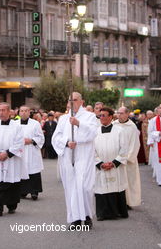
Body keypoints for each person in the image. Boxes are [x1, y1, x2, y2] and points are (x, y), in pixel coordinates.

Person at [51, 92, 97, 229]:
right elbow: (55, 137)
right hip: (68, 157)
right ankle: (75, 219)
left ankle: (87, 217)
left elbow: (93, 133)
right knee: (71, 188)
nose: (72, 103)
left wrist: (78, 124)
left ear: (81, 101)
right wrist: (66, 142)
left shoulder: (90, 116)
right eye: (70, 100)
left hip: (84, 157)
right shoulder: (63, 119)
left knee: (85, 187)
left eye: (75, 100)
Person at [0, 102, 25, 216]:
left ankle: (11, 204)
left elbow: (19, 142)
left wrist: (7, 153)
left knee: (10, 183)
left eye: (3, 110)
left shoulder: (16, 126)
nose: (1, 113)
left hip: (10, 159)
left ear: (9, 112)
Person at [94, 107, 129, 221]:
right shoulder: (95, 131)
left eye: (104, 115)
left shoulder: (119, 131)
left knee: (115, 187)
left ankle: (117, 212)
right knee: (102, 188)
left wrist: (114, 163)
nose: (101, 118)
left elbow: (124, 149)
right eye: (100, 115)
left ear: (110, 117)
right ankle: (102, 213)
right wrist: (100, 163)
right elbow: (91, 150)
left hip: (115, 166)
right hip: (101, 166)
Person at [114, 107, 141, 207]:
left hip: (128, 160)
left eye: (121, 113)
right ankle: (119, 203)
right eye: (118, 113)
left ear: (127, 114)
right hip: (117, 159)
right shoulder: (114, 125)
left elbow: (135, 144)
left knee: (129, 182)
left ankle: (129, 202)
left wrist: (127, 158)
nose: (119, 115)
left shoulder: (132, 126)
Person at [17, 106, 45, 201]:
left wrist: (32, 140)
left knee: (33, 170)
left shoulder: (35, 124)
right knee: (21, 170)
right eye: (22, 111)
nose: (24, 113)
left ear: (29, 113)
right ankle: (22, 191)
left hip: (31, 149)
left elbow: (41, 137)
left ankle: (34, 191)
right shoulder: (14, 124)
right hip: (20, 150)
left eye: (26, 111)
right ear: (19, 113)